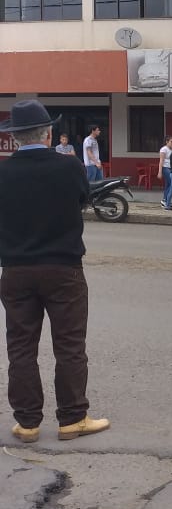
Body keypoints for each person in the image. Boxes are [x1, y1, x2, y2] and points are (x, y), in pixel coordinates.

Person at [0, 100, 110, 444]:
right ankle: (72, 418)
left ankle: (28, 423)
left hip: (15, 270)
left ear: (15, 138)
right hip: (63, 268)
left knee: (20, 347)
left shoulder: (3, 172)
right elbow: (81, 201)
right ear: (49, 134)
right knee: (69, 345)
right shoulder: (70, 166)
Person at [158, 136, 172, 210]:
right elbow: (161, 161)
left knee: (168, 185)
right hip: (165, 168)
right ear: (167, 142)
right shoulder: (163, 149)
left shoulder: (171, 150)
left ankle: (166, 201)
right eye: (171, 142)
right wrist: (160, 172)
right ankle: (165, 200)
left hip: (171, 169)